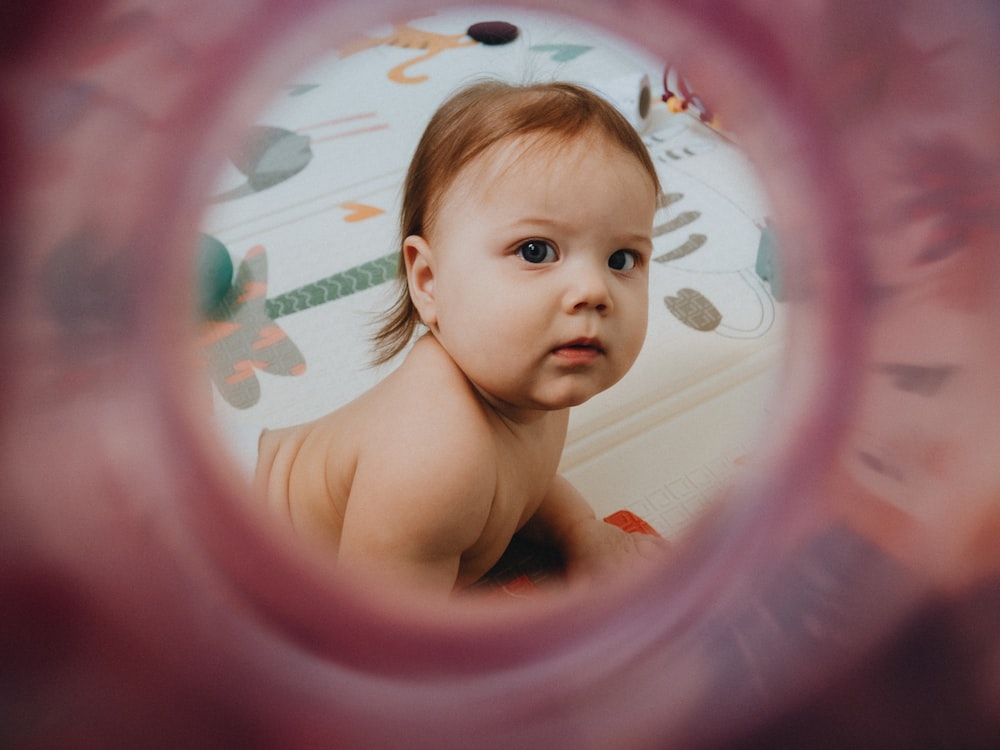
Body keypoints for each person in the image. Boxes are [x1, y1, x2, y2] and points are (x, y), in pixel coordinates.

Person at [254, 79, 665, 597]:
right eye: (536, 251)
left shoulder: (526, 381)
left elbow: (522, 484)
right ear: (429, 282)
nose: (592, 290)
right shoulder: (434, 452)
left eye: (621, 259)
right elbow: (390, 640)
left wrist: (583, 533)